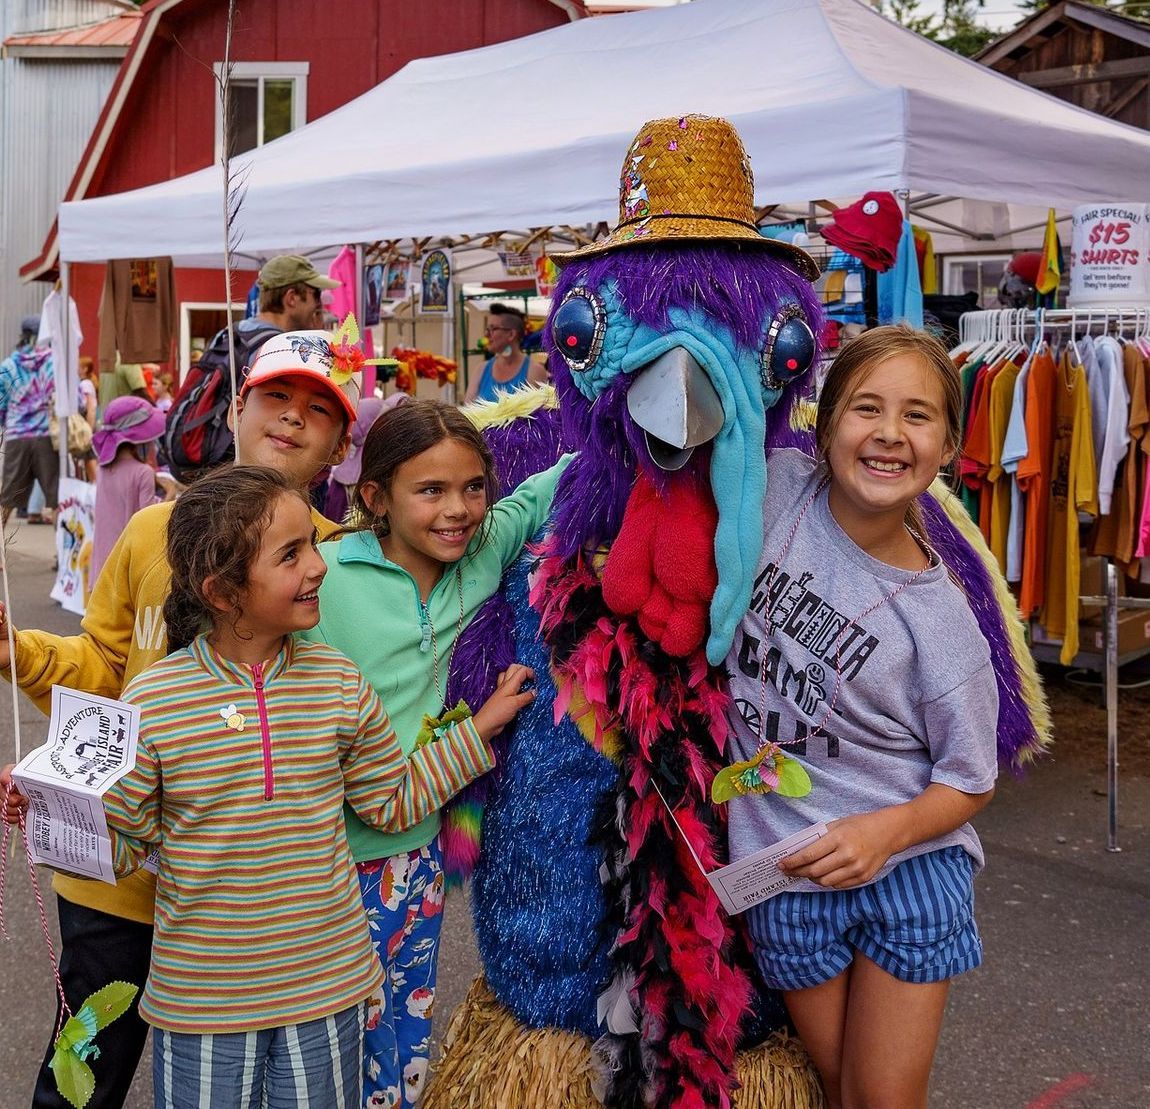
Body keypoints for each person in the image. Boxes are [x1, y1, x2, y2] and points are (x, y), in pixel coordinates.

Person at [5, 464, 535, 1109]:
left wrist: (477, 732)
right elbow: (125, 848)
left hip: (328, 993)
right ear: (222, 592)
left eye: (312, 544)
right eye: (292, 554)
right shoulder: (155, 700)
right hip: (202, 1004)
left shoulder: (338, 683)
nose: (318, 566)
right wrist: (49, 809)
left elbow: (389, 800)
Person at [0, 327, 362, 1108]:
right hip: (118, 887)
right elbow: (100, 666)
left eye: (318, 410)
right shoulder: (147, 533)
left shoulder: (342, 563)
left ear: (340, 445)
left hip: (261, 900)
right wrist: (18, 651)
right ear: (238, 405)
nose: (293, 418)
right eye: (276, 396)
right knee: (80, 1077)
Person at [724, 325, 999, 1109]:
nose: (888, 433)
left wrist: (886, 833)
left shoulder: (943, 626)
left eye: (917, 416)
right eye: (866, 407)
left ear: (948, 445)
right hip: (784, 875)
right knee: (838, 1090)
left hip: (907, 873)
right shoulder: (779, 489)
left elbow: (971, 780)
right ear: (822, 424)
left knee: (883, 1102)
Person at [299, 399, 572, 1107]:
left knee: (400, 1038)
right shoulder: (322, 579)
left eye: (473, 486)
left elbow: (552, 485)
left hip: (415, 859)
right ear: (375, 498)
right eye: (430, 491)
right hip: (320, 863)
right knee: (326, 1049)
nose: (458, 510)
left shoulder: (480, 552)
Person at [90, 397, 168, 581]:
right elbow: (150, 521)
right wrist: (171, 494)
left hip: (102, 567)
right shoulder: (143, 472)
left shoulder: (103, 468)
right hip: (128, 569)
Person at [0, 316, 59, 527]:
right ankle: (63, 556)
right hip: (48, 436)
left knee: (7, 498)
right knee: (56, 500)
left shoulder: (8, 366)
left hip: (17, 436)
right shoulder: (54, 363)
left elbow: (1, 406)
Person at [464, 303, 548, 403]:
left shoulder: (534, 371)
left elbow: (538, 414)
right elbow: (467, 411)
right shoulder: (481, 370)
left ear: (511, 334)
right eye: (487, 329)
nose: (486, 334)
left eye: (493, 329)